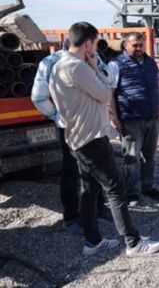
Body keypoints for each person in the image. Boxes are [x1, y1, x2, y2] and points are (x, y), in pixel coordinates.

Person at [49, 22, 159, 256]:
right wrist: (93, 66)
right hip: (91, 138)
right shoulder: (78, 67)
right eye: (95, 44)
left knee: (89, 190)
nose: (96, 51)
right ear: (88, 43)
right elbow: (104, 92)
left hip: (76, 136)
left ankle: (93, 242)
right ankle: (133, 243)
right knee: (115, 188)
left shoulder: (58, 64)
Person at [31, 41, 112, 235]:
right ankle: (72, 217)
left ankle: (98, 209)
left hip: (95, 124)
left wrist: (96, 64)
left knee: (97, 169)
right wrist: (58, 116)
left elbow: (108, 82)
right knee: (72, 171)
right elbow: (38, 97)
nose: (92, 50)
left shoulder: (93, 58)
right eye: (89, 46)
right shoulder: (50, 62)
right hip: (71, 126)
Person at [108, 32, 159, 204]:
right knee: (131, 158)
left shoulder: (151, 62)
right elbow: (109, 93)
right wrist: (114, 118)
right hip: (131, 119)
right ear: (125, 45)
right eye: (135, 45)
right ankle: (132, 191)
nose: (139, 48)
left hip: (152, 117)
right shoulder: (116, 65)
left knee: (150, 156)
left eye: (141, 44)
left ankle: (148, 187)